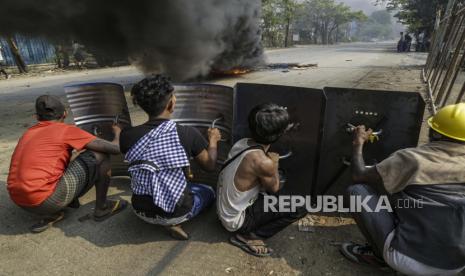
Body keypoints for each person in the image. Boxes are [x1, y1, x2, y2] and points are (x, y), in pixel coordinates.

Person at [340, 103, 465, 275]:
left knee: (356, 192)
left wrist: (358, 142)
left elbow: (358, 175)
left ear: (434, 133)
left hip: (407, 259)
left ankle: (378, 257)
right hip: (454, 267)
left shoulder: (413, 159)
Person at [119, 75, 220, 240]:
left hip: (140, 211)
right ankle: (174, 223)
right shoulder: (186, 133)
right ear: (171, 104)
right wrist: (213, 141)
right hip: (176, 213)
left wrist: (117, 132)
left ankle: (167, 218)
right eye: (173, 96)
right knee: (208, 191)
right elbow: (209, 165)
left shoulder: (127, 136)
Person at [7, 95, 127, 233]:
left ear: (36, 117)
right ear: (65, 113)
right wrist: (118, 132)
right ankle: (102, 208)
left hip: (19, 201)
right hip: (44, 201)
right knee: (100, 155)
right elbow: (116, 149)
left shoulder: (28, 133)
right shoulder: (66, 131)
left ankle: (55, 211)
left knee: (65, 160)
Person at [217, 103, 307, 257]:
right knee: (300, 207)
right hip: (236, 221)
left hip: (224, 210)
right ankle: (251, 236)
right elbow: (274, 189)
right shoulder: (263, 163)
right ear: (279, 135)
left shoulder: (243, 143)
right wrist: (274, 163)